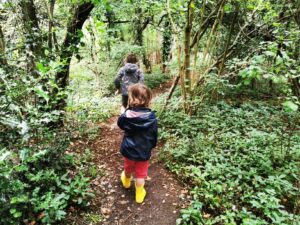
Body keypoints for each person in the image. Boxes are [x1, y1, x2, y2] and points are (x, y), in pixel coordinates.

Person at [117, 84, 158, 203]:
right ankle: (139, 194)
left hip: (129, 149)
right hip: (143, 151)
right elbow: (153, 134)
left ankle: (126, 181)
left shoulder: (127, 115)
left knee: (128, 168)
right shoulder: (151, 117)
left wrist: (123, 113)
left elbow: (120, 124)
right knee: (140, 174)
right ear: (148, 100)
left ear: (131, 99)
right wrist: (152, 146)